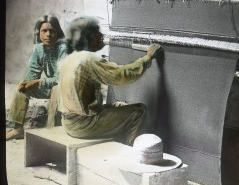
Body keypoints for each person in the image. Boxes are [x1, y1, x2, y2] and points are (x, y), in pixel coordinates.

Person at [58, 16, 161, 146]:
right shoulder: (89, 59)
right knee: (139, 111)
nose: (101, 35)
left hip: (69, 122)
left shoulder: (69, 59)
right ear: (87, 37)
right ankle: (132, 156)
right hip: (83, 125)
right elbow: (122, 75)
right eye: (97, 32)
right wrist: (148, 57)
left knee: (120, 105)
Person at [6, 14, 69, 140]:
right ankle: (17, 129)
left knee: (56, 90)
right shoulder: (38, 48)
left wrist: (38, 82)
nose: (48, 34)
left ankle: (51, 132)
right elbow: (32, 72)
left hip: (67, 88)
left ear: (58, 32)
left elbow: (61, 78)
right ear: (38, 33)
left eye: (52, 31)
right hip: (50, 85)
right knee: (22, 89)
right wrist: (26, 83)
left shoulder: (64, 48)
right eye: (44, 31)